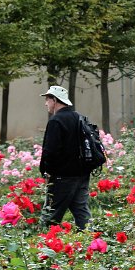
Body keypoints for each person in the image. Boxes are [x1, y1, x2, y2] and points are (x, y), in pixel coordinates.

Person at [39, 85, 92, 230]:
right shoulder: (79, 117)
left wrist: (46, 171)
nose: (45, 103)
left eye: (47, 100)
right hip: (82, 174)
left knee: (50, 215)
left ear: (55, 100)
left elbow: (50, 152)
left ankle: (43, 245)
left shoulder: (56, 121)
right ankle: (92, 244)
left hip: (63, 177)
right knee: (81, 212)